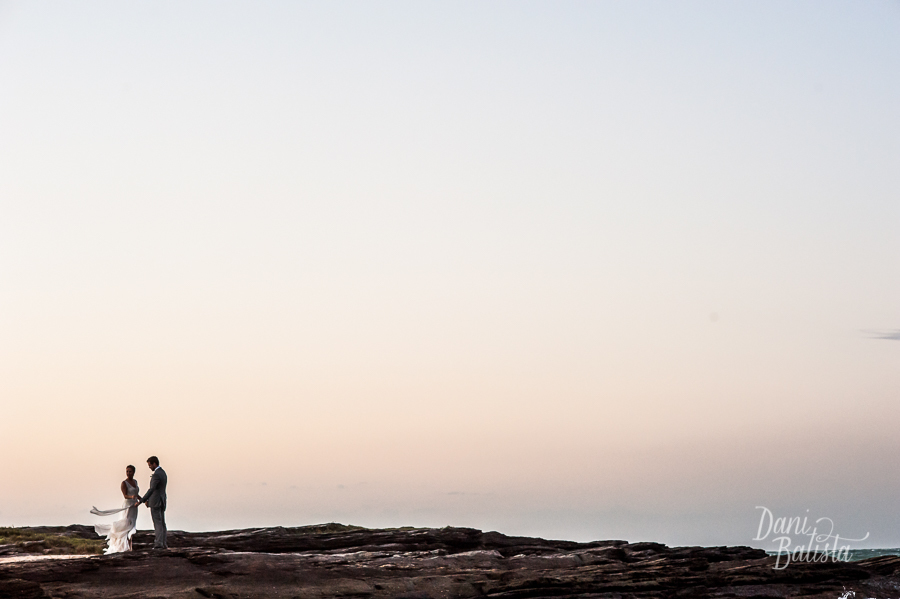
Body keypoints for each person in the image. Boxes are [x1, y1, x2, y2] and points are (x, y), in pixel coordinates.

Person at [90, 465, 140, 554]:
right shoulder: (124, 483)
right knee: (125, 525)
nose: (128, 473)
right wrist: (131, 497)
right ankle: (126, 546)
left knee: (132, 525)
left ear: (134, 472)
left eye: (130, 471)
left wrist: (143, 500)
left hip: (134, 507)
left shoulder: (135, 482)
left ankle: (130, 546)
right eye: (127, 471)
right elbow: (125, 495)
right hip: (128, 506)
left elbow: (136, 494)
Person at [136, 456, 168, 549]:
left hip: (156, 502)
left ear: (154, 464)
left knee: (157, 523)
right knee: (162, 523)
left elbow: (152, 489)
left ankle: (158, 544)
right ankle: (164, 543)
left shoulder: (156, 475)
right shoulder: (163, 473)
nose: (149, 467)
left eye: (150, 465)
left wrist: (142, 501)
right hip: (162, 500)